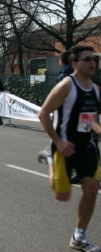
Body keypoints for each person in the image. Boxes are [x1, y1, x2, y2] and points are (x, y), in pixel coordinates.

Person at [38, 45, 101, 252]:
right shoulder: (66, 85)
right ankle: (49, 157)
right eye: (87, 59)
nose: (92, 62)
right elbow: (44, 114)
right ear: (75, 64)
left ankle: (79, 235)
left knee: (91, 188)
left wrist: (99, 130)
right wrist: (58, 142)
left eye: (94, 59)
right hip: (64, 145)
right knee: (62, 196)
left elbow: (92, 120)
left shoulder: (96, 90)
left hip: (87, 147)